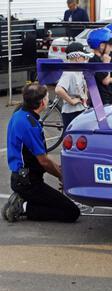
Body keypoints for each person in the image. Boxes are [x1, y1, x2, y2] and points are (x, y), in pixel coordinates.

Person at [3, 83, 80, 223]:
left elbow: (41, 157)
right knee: (71, 212)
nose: (48, 98)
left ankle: (24, 199)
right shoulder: (29, 125)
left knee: (52, 201)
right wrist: (62, 176)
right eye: (47, 96)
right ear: (42, 102)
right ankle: (23, 207)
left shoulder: (20, 113)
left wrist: (60, 169)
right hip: (28, 182)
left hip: (22, 178)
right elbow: (43, 161)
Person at [55, 42, 92, 130]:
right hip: (71, 112)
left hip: (80, 109)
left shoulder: (78, 71)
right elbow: (58, 89)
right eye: (84, 57)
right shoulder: (69, 72)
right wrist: (71, 101)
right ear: (77, 58)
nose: (86, 60)